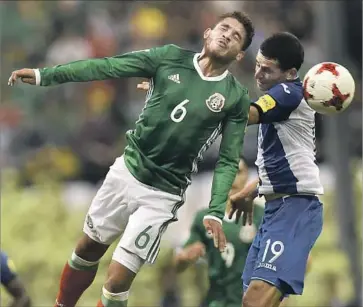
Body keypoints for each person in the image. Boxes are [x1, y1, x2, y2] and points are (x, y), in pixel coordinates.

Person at [8, 11, 255, 307]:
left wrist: (215, 209)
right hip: (127, 171)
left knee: (117, 280)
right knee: (87, 250)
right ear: (208, 32)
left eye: (236, 36)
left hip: (162, 194)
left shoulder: (235, 96)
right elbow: (107, 67)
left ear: (239, 55)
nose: (227, 35)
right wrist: (44, 75)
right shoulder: (168, 57)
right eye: (224, 28)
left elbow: (228, 158)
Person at [228, 32, 324, 307]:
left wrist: (205, 95)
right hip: (277, 209)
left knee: (256, 299)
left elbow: (246, 115)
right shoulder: (284, 102)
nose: (258, 73)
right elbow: (290, 165)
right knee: (250, 301)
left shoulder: (288, 92)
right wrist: (251, 190)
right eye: (257, 64)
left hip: (295, 209)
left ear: (290, 72)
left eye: (267, 69)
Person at [173, 159, 264, 307]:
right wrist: (185, 258)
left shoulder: (263, 216)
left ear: (247, 177)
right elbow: (178, 264)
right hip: (215, 302)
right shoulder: (204, 219)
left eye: (238, 172)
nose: (232, 176)